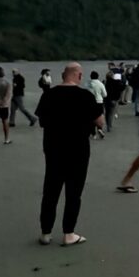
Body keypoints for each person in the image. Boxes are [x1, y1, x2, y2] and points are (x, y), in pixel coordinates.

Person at [35, 62, 104, 246]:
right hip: (78, 150)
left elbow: (41, 121)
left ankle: (46, 232)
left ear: (63, 75)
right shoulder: (85, 96)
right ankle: (68, 233)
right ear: (79, 76)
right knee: (74, 193)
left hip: (53, 149)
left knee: (50, 191)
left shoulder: (48, 95)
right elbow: (100, 122)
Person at [0, 66, 13, 145]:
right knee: (5, 121)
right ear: (3, 73)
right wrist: (2, 102)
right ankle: (6, 139)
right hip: (4, 106)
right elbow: (8, 96)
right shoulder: (7, 82)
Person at [87, 70, 107, 138]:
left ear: (91, 77)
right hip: (99, 102)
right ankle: (99, 129)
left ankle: (93, 133)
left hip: (90, 102)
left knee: (91, 118)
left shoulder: (88, 84)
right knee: (99, 117)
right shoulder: (101, 84)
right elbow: (105, 94)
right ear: (98, 77)